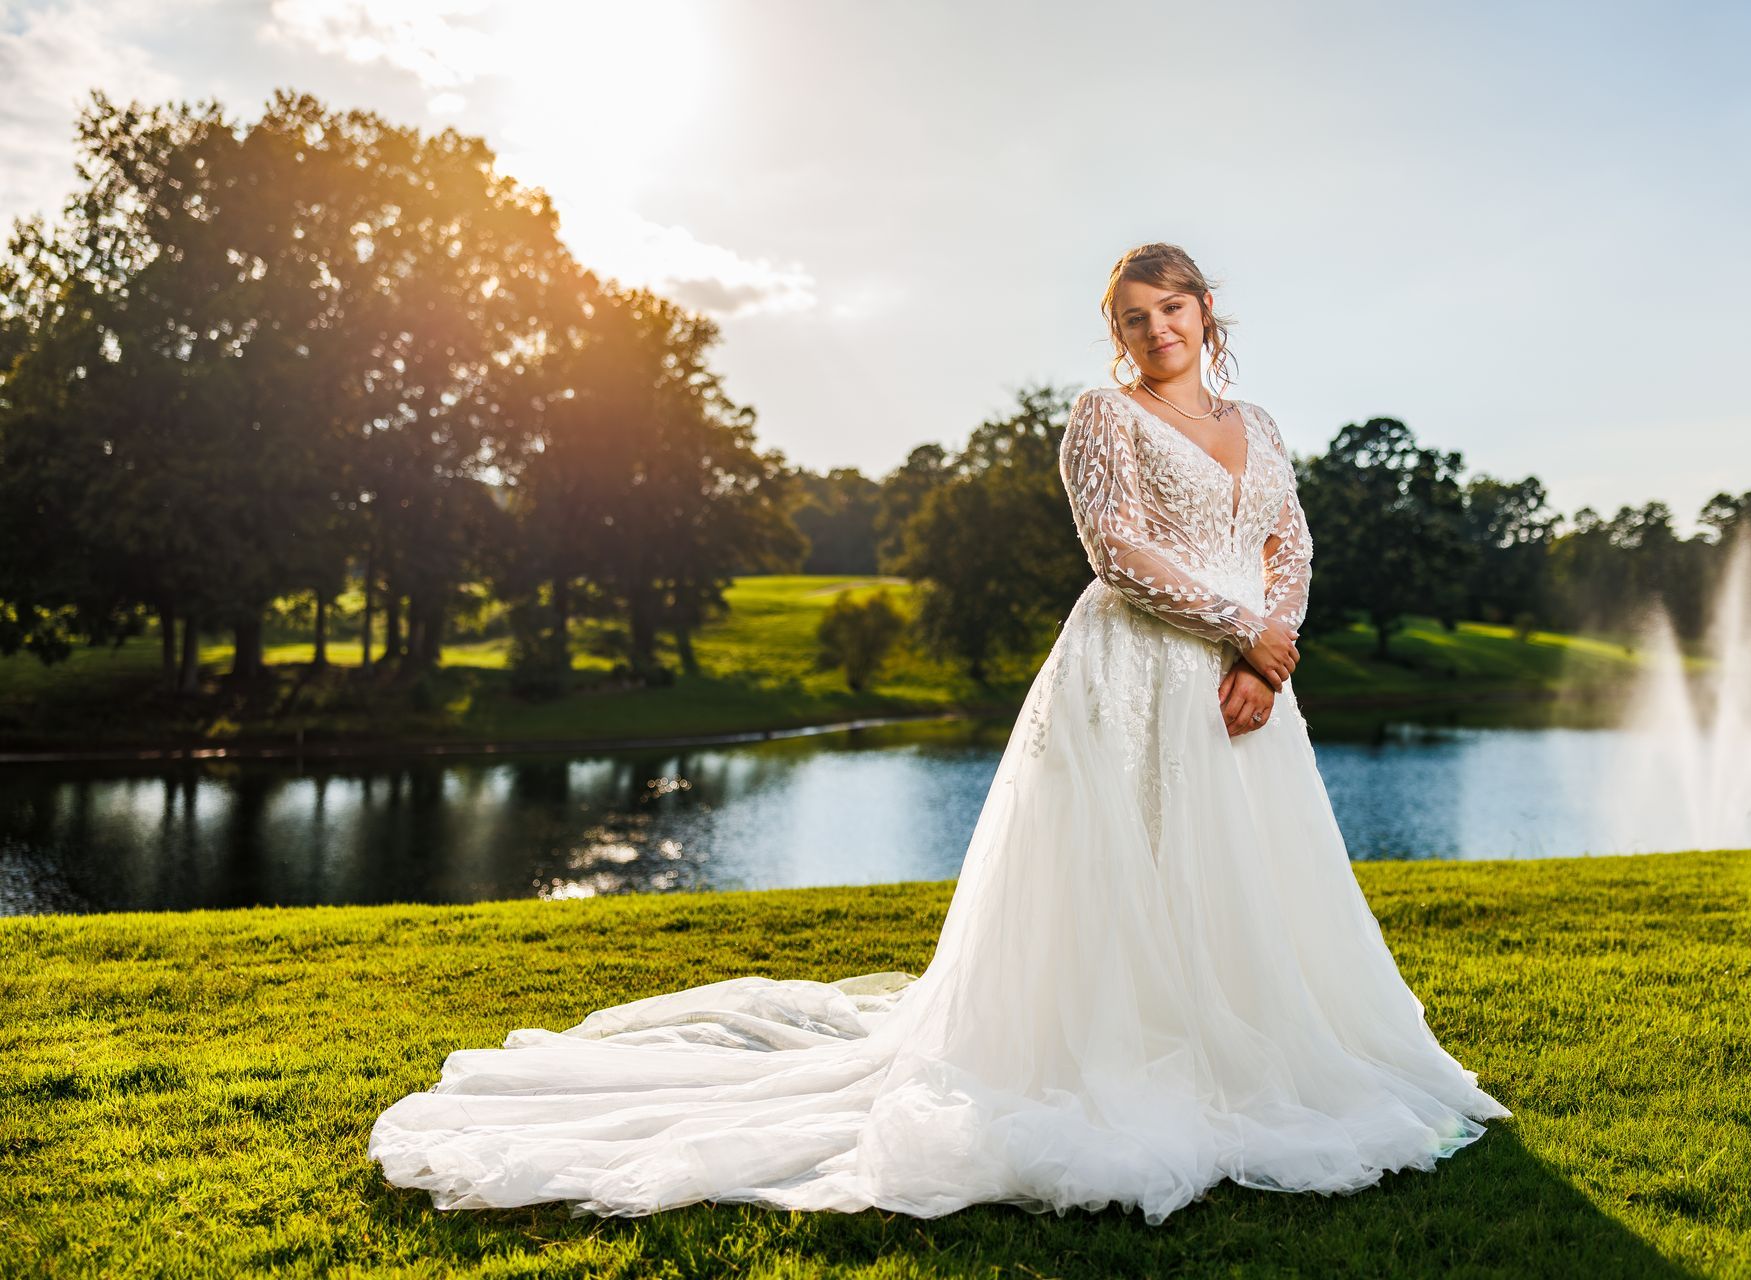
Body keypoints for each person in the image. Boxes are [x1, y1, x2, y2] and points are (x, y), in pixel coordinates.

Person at [367, 243, 1511, 1226]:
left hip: (1248, 682)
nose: (1157, 328)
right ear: (1117, 333)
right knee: (1131, 872)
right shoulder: (1101, 416)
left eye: (1173, 307)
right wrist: (1238, 632)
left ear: (1208, 310)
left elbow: (1289, 543)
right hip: (1139, 668)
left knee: (1243, 873)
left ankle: (1255, 1050)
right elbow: (1114, 549)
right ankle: (1128, 1059)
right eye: (1133, 316)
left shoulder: (1255, 422)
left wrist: (1277, 642)